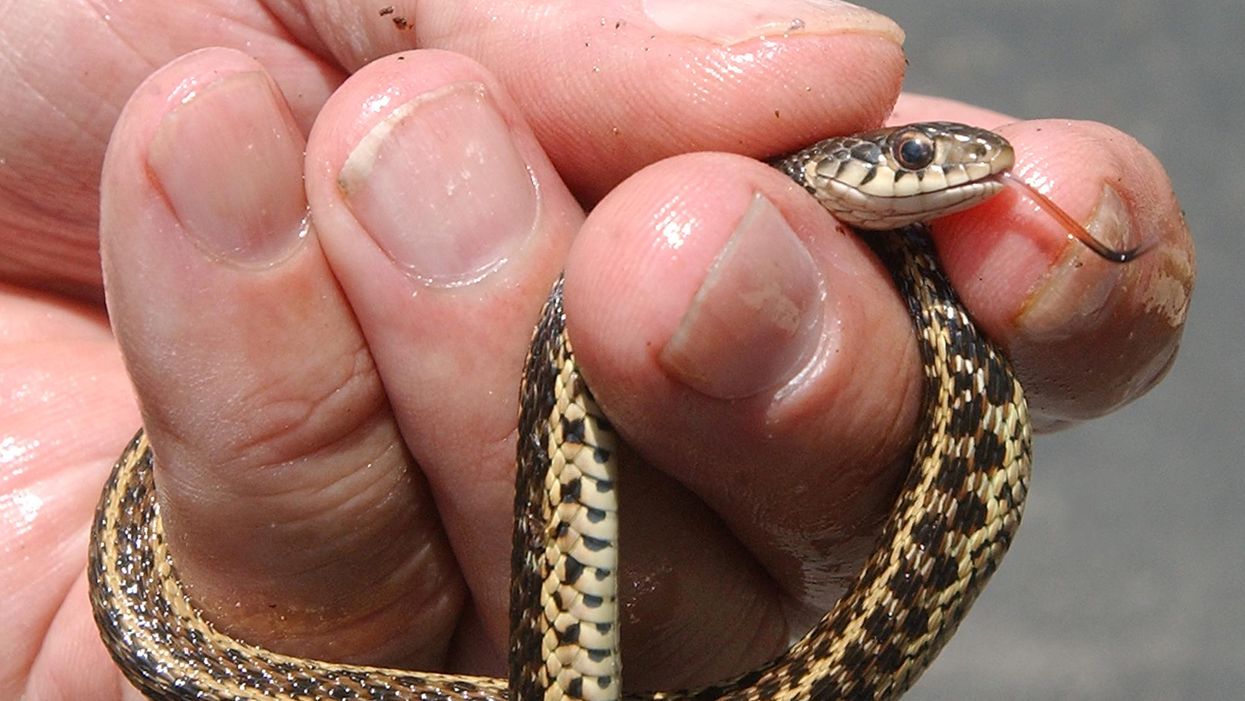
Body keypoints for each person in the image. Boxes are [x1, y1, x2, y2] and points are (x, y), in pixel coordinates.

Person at [0, 1, 1192, 697]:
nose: (955, 173)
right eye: (918, 162)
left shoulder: (893, 259)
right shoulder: (749, 157)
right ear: (841, 170)